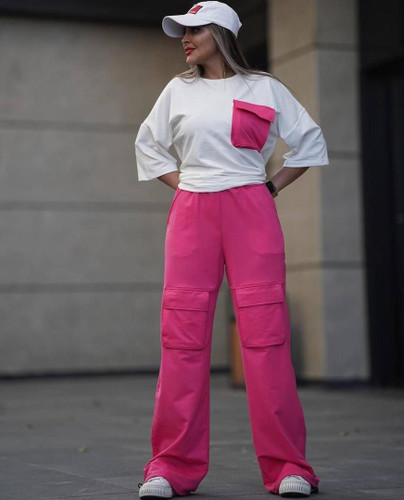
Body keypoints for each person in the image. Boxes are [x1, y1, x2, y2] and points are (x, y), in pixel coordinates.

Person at [134, 2, 328, 498]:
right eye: (183, 31)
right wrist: (187, 186)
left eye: (194, 29)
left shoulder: (264, 88)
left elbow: (308, 143)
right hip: (192, 211)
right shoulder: (177, 90)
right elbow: (148, 145)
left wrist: (269, 187)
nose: (185, 38)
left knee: (266, 336)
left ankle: (289, 467)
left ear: (221, 34)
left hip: (251, 209)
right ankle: (169, 468)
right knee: (181, 337)